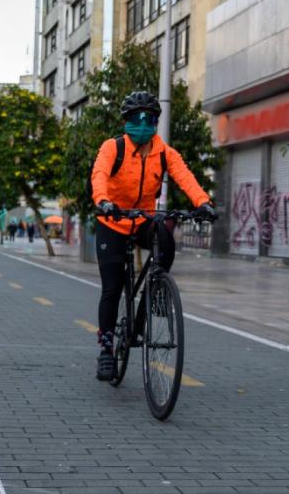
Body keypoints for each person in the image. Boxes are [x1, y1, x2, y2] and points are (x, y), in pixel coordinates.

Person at [91, 91, 216, 381]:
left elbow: (185, 176)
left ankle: (155, 292)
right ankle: (107, 349)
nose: (144, 124)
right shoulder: (113, 148)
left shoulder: (165, 153)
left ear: (156, 122)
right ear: (127, 121)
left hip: (143, 220)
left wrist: (203, 203)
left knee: (165, 234)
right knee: (112, 289)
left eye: (150, 118)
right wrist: (103, 200)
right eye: (137, 118)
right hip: (113, 220)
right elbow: (99, 175)